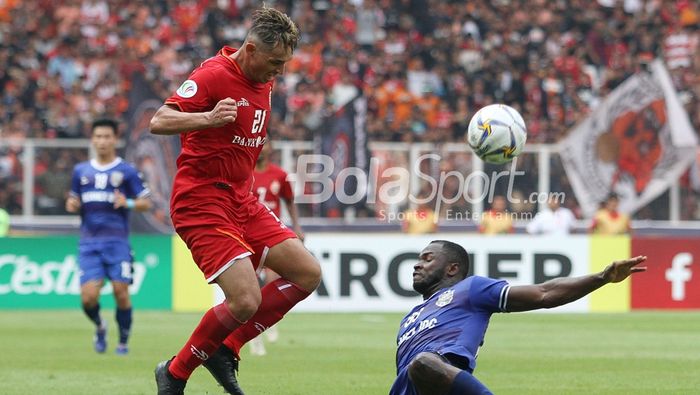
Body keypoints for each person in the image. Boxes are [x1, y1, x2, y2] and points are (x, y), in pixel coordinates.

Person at [149, 6, 321, 395]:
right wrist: (207, 118)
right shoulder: (213, 75)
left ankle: (227, 347)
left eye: (284, 65)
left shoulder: (265, 76)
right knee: (245, 299)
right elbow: (159, 120)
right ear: (249, 49)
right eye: (274, 63)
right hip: (202, 201)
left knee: (308, 273)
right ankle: (174, 374)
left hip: (242, 201)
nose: (278, 72)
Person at [391, 240, 646, 395]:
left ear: (452, 268)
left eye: (427, 259)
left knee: (423, 363)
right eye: (418, 259)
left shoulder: (471, 289)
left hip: (437, 376)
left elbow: (545, 293)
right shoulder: (409, 319)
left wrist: (602, 278)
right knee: (419, 366)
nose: (417, 264)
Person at [65, 118, 152, 355]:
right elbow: (73, 199)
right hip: (89, 243)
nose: (102, 141)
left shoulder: (126, 171)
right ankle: (100, 325)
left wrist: (129, 202)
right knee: (88, 298)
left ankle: (123, 341)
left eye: (107, 137)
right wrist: (72, 204)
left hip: (117, 242)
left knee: (120, 292)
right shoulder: (80, 171)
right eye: (98, 137)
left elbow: (147, 202)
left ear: (115, 139)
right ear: (92, 139)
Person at [248, 142, 304, 356]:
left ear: (270, 148)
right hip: (247, 235)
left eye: (266, 143)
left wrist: (297, 227)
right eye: (260, 142)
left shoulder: (280, 175)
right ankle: (255, 335)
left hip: (271, 235)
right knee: (251, 289)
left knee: (273, 283)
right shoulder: (244, 172)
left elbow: (289, 201)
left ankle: (266, 322)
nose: (262, 147)